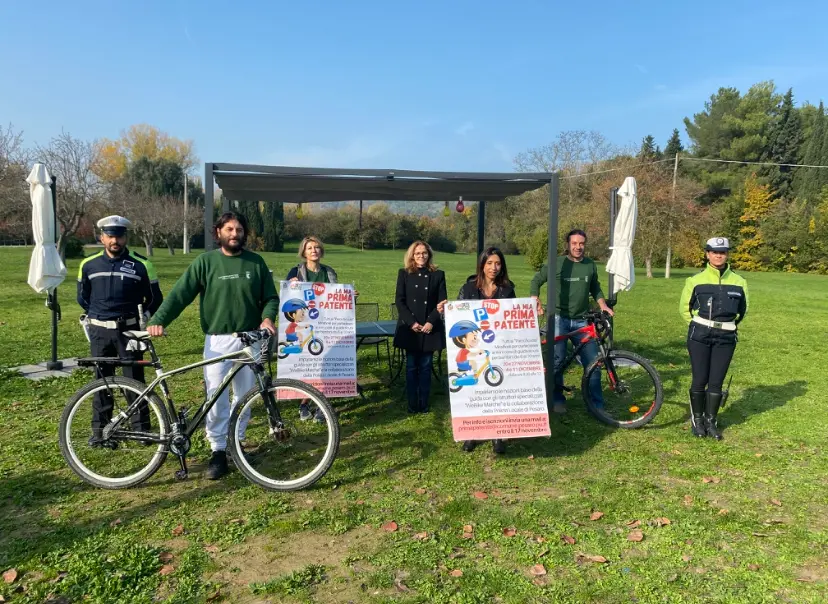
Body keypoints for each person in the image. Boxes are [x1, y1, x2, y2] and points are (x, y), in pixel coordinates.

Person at [147, 212, 278, 479]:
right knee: (216, 396)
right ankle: (218, 450)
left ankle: (235, 445)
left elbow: (270, 298)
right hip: (218, 339)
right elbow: (180, 294)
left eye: (239, 229)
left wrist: (267, 318)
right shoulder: (206, 262)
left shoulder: (256, 262)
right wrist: (159, 319)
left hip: (250, 338)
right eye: (229, 229)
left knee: (245, 396)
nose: (234, 234)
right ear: (218, 232)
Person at [77, 215, 163, 446]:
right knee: (101, 382)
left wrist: (142, 318)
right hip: (99, 332)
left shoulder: (142, 264)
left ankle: (141, 430)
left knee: (134, 382)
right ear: (102, 237)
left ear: (126, 237)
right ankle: (100, 432)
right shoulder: (88, 264)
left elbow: (155, 298)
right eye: (110, 236)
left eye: (119, 236)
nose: (115, 240)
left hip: (129, 332)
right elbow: (82, 297)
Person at [529, 229, 614, 414]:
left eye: (581, 243)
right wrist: (535, 298)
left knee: (594, 362)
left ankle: (597, 405)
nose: (578, 247)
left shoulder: (590, 265)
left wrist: (602, 305)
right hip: (559, 318)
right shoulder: (557, 263)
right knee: (557, 361)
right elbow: (536, 280)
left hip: (582, 320)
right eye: (574, 243)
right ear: (568, 244)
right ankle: (557, 399)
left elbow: (595, 287)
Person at [679, 237, 748, 440]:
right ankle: (697, 421)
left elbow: (742, 311)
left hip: (725, 337)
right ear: (707, 254)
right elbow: (685, 308)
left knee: (716, 381)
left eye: (723, 252)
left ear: (727, 254)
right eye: (714, 252)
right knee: (700, 379)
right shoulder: (694, 280)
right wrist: (698, 325)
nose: (719, 255)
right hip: (699, 336)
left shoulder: (739, 282)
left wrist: (725, 326)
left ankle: (711, 421)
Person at [456, 246, 516, 454]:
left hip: (499, 346)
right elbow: (458, 316)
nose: (494, 267)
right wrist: (444, 310)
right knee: (475, 390)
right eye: (489, 263)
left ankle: (498, 434)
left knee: (497, 390)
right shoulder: (469, 288)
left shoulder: (507, 289)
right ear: (482, 265)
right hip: (475, 347)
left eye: (497, 263)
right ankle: (472, 433)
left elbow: (513, 318)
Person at [394, 241, 447, 414]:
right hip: (411, 328)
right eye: (417, 253)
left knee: (425, 366)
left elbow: (442, 302)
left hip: (430, 328)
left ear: (429, 255)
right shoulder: (404, 274)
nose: (421, 256)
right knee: (411, 366)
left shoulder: (438, 275)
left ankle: (423, 403)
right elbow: (400, 301)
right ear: (412, 256)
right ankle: (412, 403)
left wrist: (431, 321)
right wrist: (412, 323)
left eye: (424, 253)